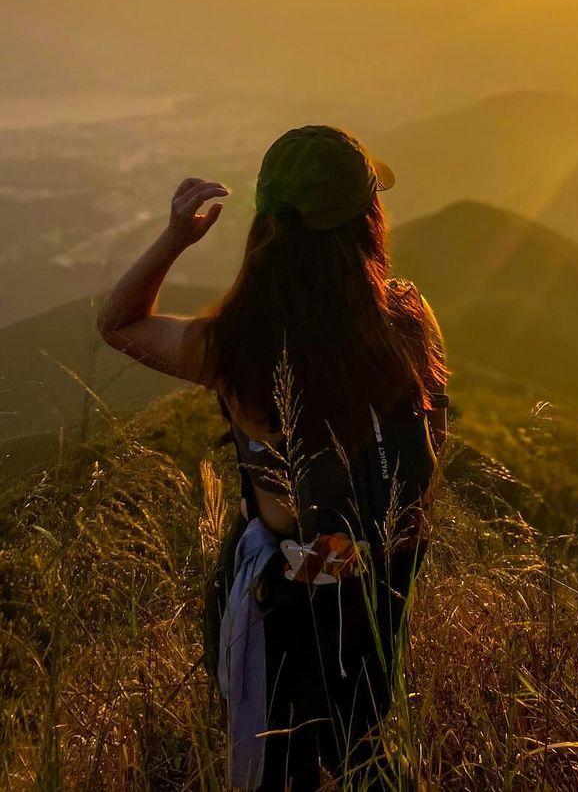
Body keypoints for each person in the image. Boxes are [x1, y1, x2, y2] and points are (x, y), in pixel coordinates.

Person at [97, 125, 449, 790]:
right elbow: (429, 440)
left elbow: (118, 323)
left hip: (279, 595)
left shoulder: (234, 351)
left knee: (277, 756)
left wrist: (176, 236)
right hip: (376, 582)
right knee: (365, 745)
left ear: (267, 221)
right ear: (367, 219)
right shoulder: (408, 322)